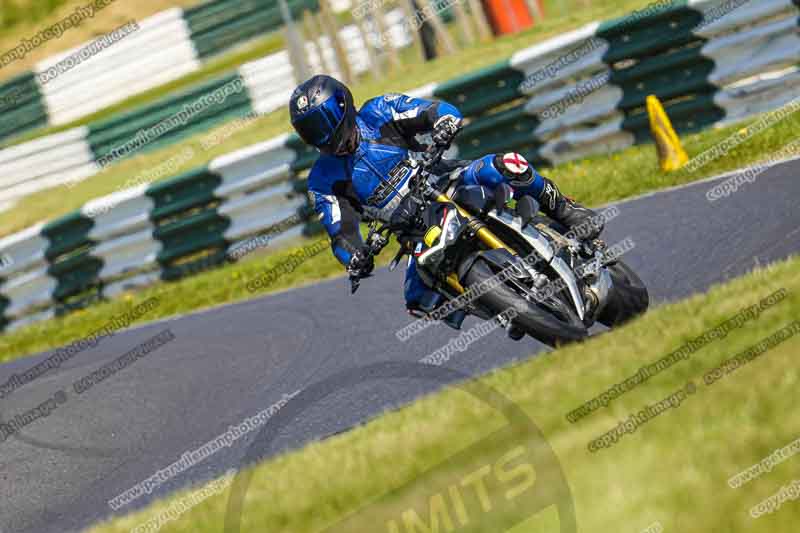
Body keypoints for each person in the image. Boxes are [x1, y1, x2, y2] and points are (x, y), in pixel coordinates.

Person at [289, 75, 602, 330]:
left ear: (342, 105)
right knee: (418, 300)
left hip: (448, 181)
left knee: (509, 164)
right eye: (310, 130)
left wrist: (444, 124)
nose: (321, 134)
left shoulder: (379, 111)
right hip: (414, 232)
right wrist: (355, 258)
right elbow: (340, 232)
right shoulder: (322, 179)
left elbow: (436, 110)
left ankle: (564, 210)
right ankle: (507, 310)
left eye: (322, 122)